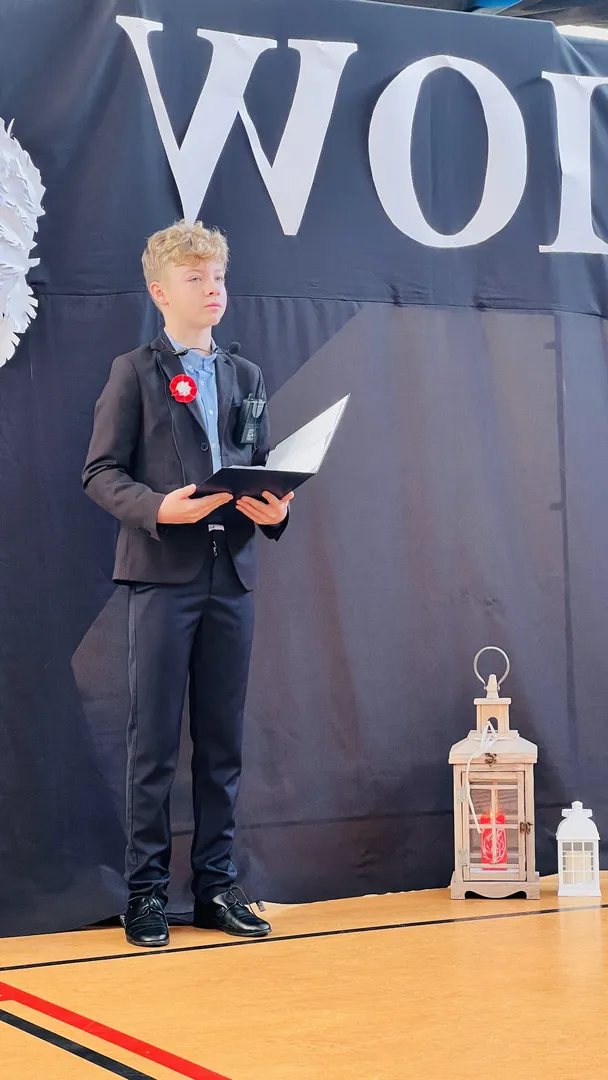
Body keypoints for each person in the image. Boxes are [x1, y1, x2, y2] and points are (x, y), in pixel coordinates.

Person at [83, 220, 293, 948]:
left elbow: (261, 464)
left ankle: (215, 886)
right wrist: (156, 508)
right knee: (153, 746)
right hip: (161, 577)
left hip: (230, 576)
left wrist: (277, 508)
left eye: (219, 277)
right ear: (160, 291)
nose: (213, 289)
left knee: (222, 742)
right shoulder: (133, 372)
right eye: (196, 278)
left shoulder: (246, 376)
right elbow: (100, 472)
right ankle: (145, 893)